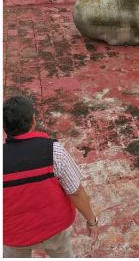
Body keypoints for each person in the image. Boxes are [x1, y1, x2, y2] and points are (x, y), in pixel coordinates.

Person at [3, 95, 99, 258]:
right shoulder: (54, 151)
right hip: (53, 228)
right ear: (33, 121)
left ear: (4, 127)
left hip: (14, 234)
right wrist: (92, 221)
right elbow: (75, 191)